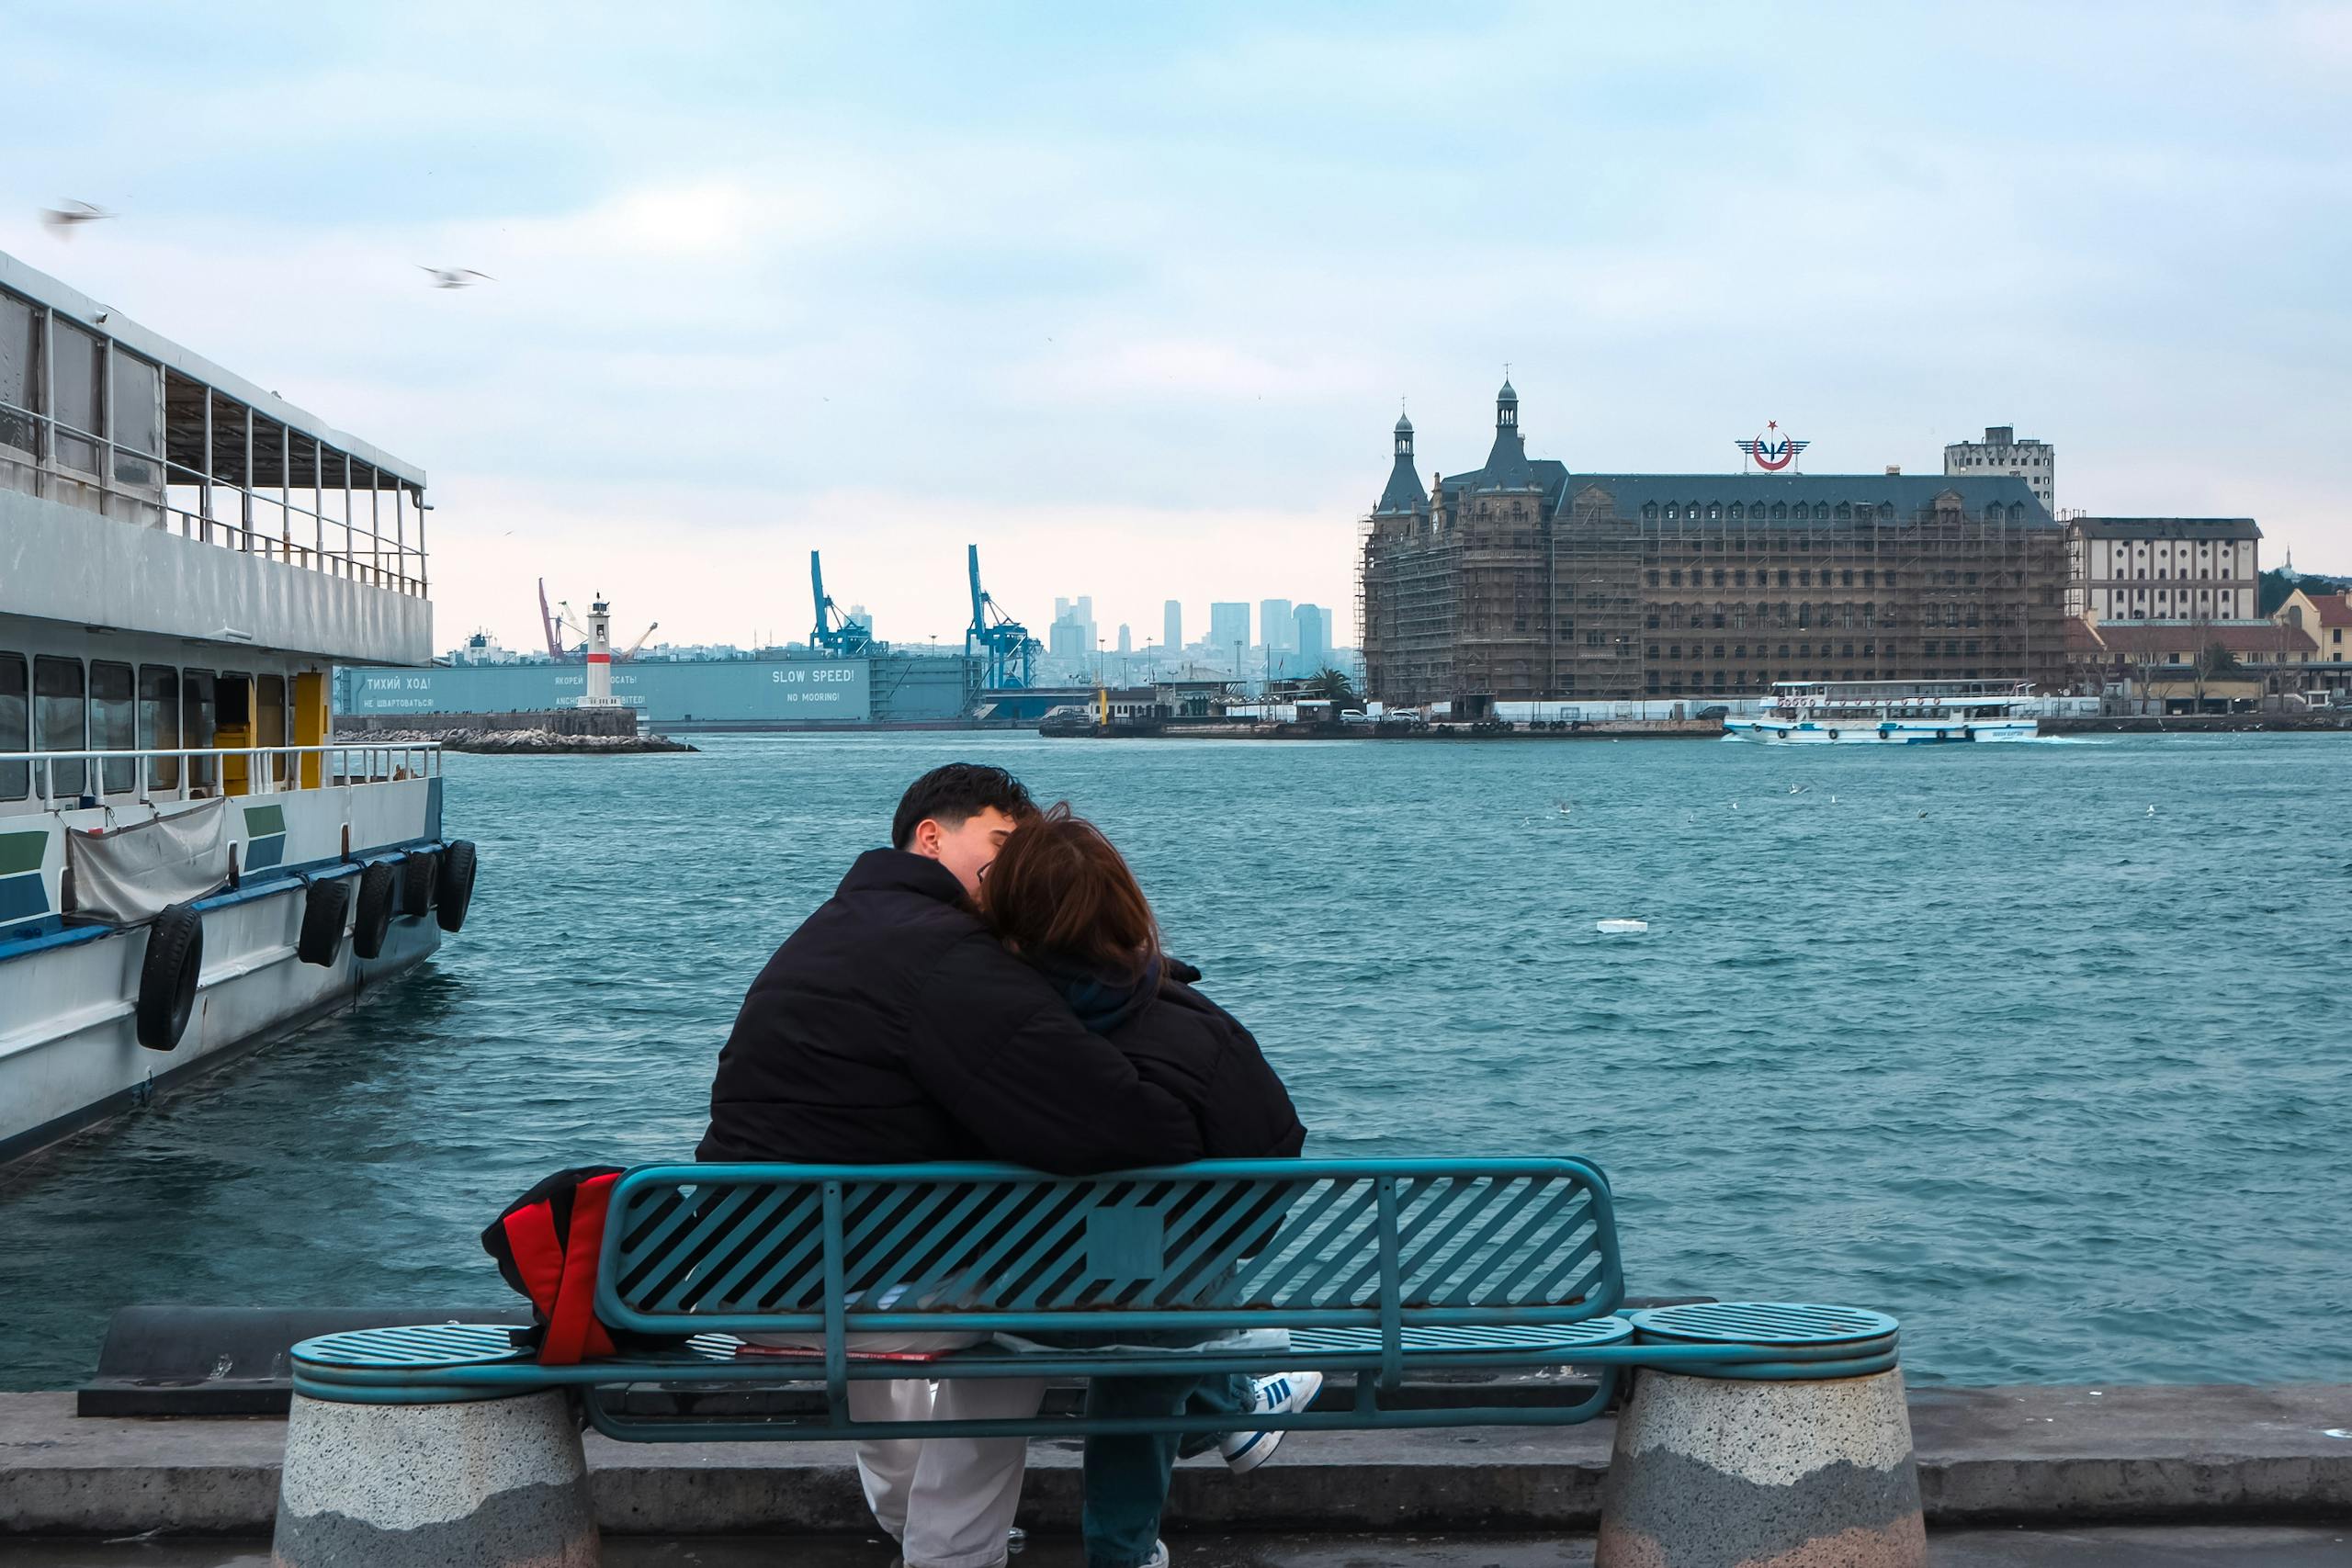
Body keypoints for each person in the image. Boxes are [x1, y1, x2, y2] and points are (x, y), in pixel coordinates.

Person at [699, 763, 1203, 1568]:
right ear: (931, 837)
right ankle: (952, 1552)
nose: (1010, 874)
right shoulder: (950, 955)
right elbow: (1111, 1123)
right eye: (1000, 845)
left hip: (743, 1277)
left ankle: (918, 1529)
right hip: (833, 1288)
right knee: (1028, 1308)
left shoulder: (826, 929)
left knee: (974, 1274)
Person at [979, 803, 1316, 1568]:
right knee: (1154, 1303)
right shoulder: (1199, 1029)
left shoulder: (976, 1025)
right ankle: (1202, 1444)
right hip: (1153, 1311)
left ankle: (1230, 1404)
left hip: (1010, 1303)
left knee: (1140, 1288)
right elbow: (1265, 1187)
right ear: (1126, 909)